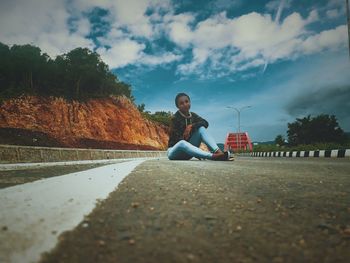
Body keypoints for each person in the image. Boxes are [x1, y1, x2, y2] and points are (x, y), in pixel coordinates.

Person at [167, 92, 231, 161]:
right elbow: (177, 141)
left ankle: (219, 153)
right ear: (177, 106)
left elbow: (205, 123)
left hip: (188, 154)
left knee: (201, 129)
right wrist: (196, 151)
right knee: (182, 142)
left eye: (186, 101)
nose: (185, 104)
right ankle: (213, 156)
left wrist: (191, 126)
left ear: (190, 102)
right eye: (181, 103)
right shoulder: (175, 118)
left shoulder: (193, 116)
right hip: (175, 152)